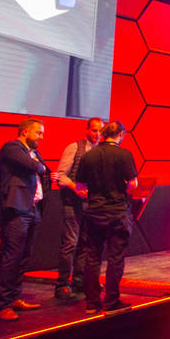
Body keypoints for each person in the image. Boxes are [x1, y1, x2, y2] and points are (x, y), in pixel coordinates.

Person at [76, 120, 138, 313]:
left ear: (103, 134)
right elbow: (133, 184)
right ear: (120, 135)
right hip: (117, 212)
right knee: (115, 258)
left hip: (94, 212)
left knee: (92, 257)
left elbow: (80, 186)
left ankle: (92, 302)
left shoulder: (89, 156)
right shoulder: (124, 155)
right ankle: (111, 301)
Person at [0, 118, 50, 321]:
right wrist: (40, 166)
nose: (41, 137)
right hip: (17, 209)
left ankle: (15, 297)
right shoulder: (12, 148)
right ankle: (3, 305)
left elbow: (42, 169)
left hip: (32, 208)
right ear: (25, 132)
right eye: (38, 133)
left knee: (24, 255)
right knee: (12, 256)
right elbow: (37, 167)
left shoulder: (34, 153)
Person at [52, 117, 103, 301]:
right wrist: (75, 188)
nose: (97, 134)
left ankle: (80, 281)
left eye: (100, 131)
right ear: (87, 130)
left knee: (85, 244)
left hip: (91, 204)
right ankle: (62, 285)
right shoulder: (74, 147)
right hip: (72, 203)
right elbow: (61, 175)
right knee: (70, 244)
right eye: (94, 130)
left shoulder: (100, 151)